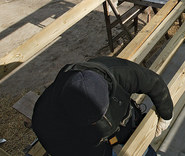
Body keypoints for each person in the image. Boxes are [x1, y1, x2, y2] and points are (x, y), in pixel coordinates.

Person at [32, 56, 173, 156]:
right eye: (91, 121)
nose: (98, 121)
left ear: (108, 89)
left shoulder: (114, 71)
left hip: (127, 125)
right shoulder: (45, 120)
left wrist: (166, 114)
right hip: (95, 148)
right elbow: (64, 150)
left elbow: (153, 83)